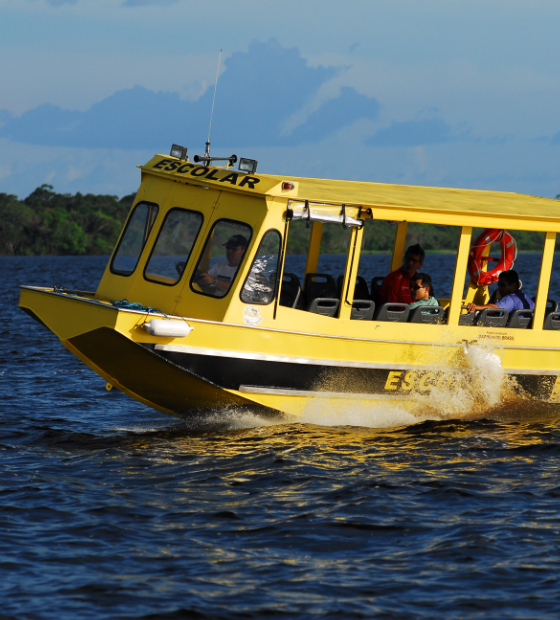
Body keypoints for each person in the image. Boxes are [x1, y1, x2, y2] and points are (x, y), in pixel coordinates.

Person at [466, 269, 534, 314]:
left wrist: (475, 307)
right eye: (499, 285)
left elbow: (494, 308)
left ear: (513, 285)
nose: (500, 288)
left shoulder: (511, 299)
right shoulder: (525, 298)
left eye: (503, 285)